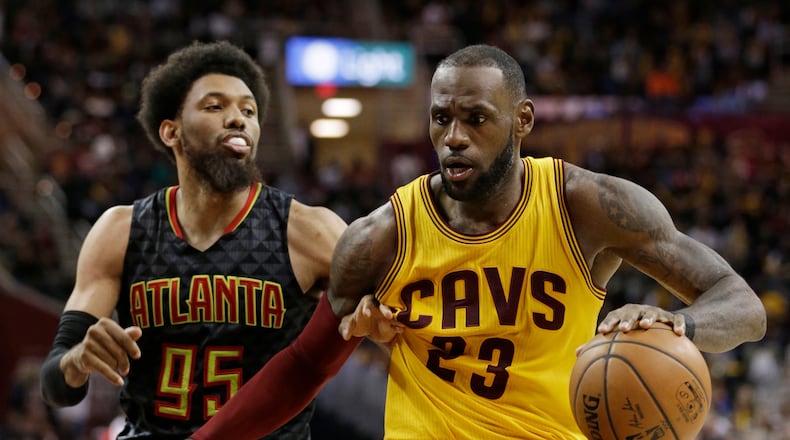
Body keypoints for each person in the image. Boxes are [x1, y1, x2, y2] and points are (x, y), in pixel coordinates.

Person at [190, 44, 767, 439]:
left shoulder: (585, 206)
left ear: (523, 121)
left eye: (477, 119)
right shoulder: (383, 236)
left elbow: (742, 304)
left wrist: (680, 327)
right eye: (441, 119)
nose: (454, 137)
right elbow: (303, 366)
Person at [38, 40, 352, 439]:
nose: (238, 119)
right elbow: (55, 386)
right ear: (171, 131)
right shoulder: (121, 230)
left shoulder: (309, 230)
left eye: (248, 110)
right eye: (215, 106)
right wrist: (77, 361)